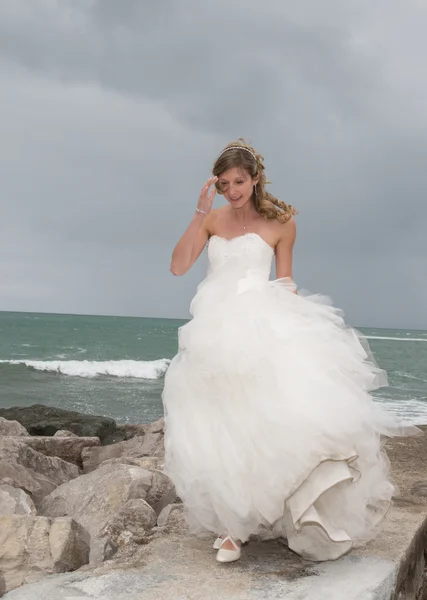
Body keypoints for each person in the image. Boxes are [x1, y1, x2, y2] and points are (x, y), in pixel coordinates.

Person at [162, 139, 413, 564]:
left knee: (261, 421)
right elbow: (178, 266)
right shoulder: (213, 219)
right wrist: (200, 211)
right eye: (224, 184)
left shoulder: (282, 224)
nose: (232, 190)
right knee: (218, 424)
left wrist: (293, 328)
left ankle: (250, 521)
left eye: (239, 181)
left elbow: (285, 281)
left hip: (259, 325)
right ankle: (231, 526)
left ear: (255, 178)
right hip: (212, 332)